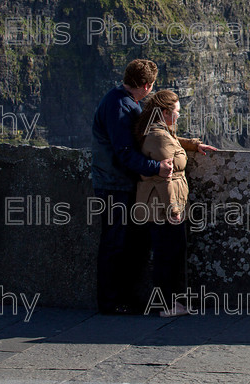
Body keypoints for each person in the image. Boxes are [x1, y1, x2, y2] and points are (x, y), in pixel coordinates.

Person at [91, 59, 173, 315]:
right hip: (113, 185)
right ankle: (109, 302)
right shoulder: (120, 107)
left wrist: (192, 144)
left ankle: (121, 298)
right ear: (147, 86)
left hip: (118, 183)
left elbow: (153, 134)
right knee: (114, 244)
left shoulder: (123, 101)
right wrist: (156, 168)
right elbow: (125, 152)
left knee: (124, 244)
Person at [133, 90, 216, 317]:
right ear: (164, 112)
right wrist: (173, 210)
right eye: (177, 112)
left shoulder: (160, 131)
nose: (179, 116)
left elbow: (173, 143)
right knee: (167, 255)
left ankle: (173, 303)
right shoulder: (157, 136)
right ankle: (167, 305)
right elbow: (163, 179)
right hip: (162, 208)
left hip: (164, 206)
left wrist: (194, 144)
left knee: (172, 252)